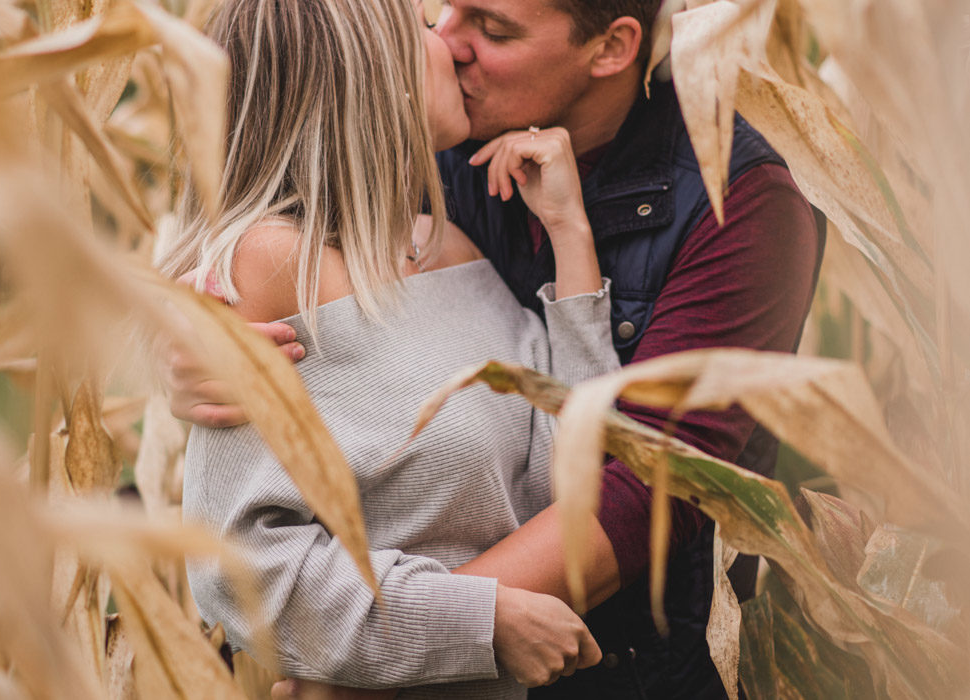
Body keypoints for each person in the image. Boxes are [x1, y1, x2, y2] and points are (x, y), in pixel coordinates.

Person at [171, 0, 825, 697]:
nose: (450, 42)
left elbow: (641, 480)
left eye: (493, 29)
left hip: (632, 671)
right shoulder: (425, 173)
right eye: (439, 12)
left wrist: (377, 677)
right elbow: (236, 556)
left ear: (610, 48)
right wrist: (179, 344)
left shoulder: (737, 202)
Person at [162, 0, 627, 697]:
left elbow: (574, 468)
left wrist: (570, 234)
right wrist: (479, 618)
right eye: (422, 26)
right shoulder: (268, 268)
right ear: (372, 73)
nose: (450, 41)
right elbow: (238, 571)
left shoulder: (444, 246)